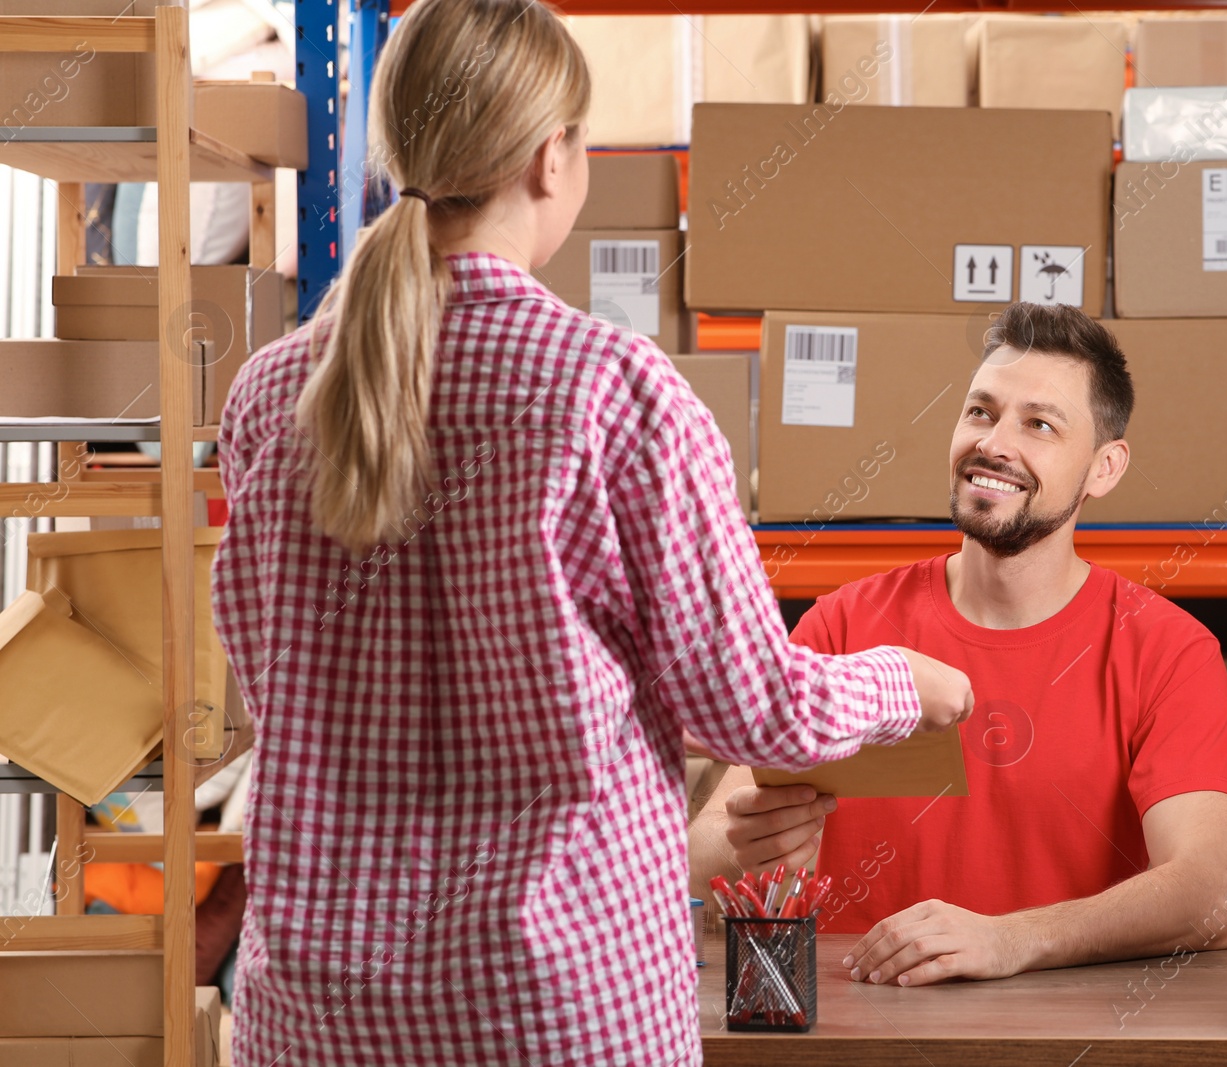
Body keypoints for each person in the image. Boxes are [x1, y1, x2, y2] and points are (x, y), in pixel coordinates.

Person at [209, 2, 972, 1063]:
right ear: (549, 157)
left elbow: (273, 681)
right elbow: (759, 706)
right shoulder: (614, 392)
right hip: (554, 1007)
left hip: (319, 1013)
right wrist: (908, 682)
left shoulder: (268, 395)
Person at [690, 301, 1227, 989]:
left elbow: (1213, 892)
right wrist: (744, 844)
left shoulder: (1167, 651)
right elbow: (698, 849)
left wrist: (1014, 937)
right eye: (981, 412)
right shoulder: (843, 626)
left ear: (1104, 468)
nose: (994, 443)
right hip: (851, 1033)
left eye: (1039, 424)